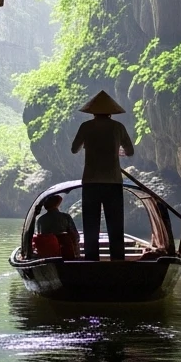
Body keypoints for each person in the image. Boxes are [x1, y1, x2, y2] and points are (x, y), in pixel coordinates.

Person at [70, 90, 135, 261]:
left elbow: (74, 149)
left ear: (92, 112)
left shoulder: (86, 127)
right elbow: (130, 151)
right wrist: (118, 150)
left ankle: (92, 261)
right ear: (111, 112)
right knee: (115, 224)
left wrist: (88, 143)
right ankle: (118, 262)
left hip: (90, 181)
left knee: (91, 224)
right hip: (113, 182)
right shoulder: (118, 128)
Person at [34, 193, 79, 259]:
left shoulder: (41, 220)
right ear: (57, 205)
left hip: (47, 252)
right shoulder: (65, 217)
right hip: (66, 252)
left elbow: (39, 236)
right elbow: (75, 235)